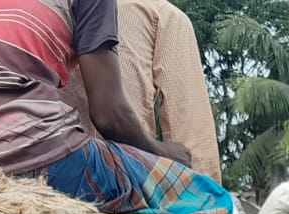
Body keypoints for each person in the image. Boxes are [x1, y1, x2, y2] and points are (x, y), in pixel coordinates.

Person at [0, 0, 251, 214]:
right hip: (51, 160)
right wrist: (164, 152)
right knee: (210, 200)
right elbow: (110, 116)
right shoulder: (163, 17)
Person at [59, 0, 221, 181]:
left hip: (44, 178)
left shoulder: (48, 10)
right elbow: (194, 148)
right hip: (126, 182)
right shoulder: (163, 16)